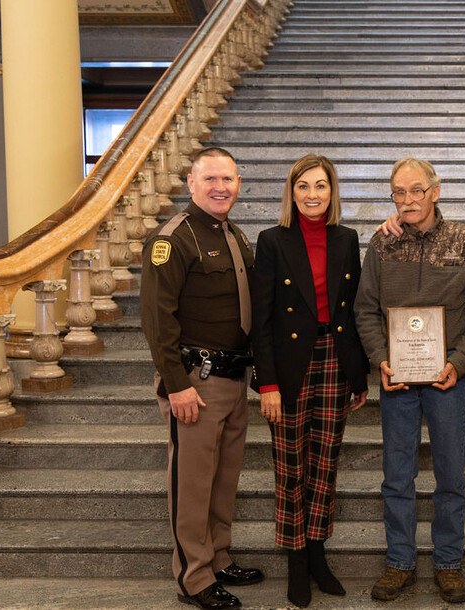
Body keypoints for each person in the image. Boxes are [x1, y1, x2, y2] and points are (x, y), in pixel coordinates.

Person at [354, 157, 465, 604]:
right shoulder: (382, 243)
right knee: (397, 476)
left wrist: (460, 361)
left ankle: (448, 563)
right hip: (397, 380)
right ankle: (399, 561)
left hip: (447, 380)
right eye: (399, 192)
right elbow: (365, 309)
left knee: (450, 474)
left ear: (435, 191)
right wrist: (380, 359)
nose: (408, 199)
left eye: (417, 190)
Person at [141, 147, 263, 610]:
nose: (220, 187)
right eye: (209, 178)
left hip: (233, 378)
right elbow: (157, 319)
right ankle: (193, 578)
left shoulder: (234, 234)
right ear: (191, 183)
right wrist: (176, 385)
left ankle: (218, 558)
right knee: (192, 485)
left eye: (227, 179)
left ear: (238, 183)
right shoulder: (173, 238)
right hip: (196, 380)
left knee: (223, 479)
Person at [249, 154, 369, 608]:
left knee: (325, 464)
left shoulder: (347, 239)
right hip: (289, 366)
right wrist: (267, 384)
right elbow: (261, 320)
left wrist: (358, 375)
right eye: (304, 186)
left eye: (320, 186)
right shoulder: (272, 241)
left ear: (332, 191)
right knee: (290, 467)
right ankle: (296, 560)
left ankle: (318, 553)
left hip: (335, 359)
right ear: (292, 192)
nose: (312, 194)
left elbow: (353, 311)